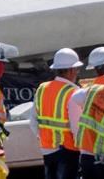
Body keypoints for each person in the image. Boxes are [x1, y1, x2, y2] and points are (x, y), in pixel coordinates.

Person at [30, 48, 84, 179]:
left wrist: (43, 137)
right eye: (77, 69)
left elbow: (33, 121)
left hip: (47, 149)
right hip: (68, 150)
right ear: (71, 70)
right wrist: (83, 151)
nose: (77, 73)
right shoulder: (73, 92)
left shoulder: (42, 88)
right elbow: (76, 127)